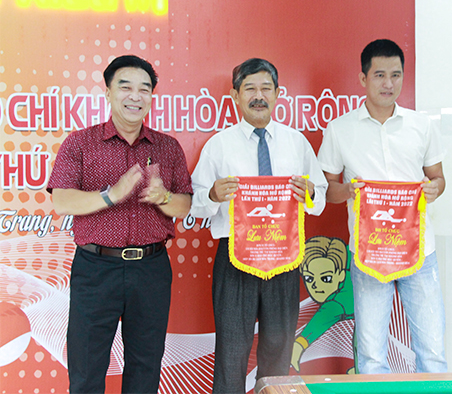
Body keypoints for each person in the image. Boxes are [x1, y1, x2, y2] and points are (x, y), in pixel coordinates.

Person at [47, 55, 193, 393]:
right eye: (125, 87)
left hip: (151, 269)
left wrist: (164, 198)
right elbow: (62, 200)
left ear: (152, 97)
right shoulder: (80, 143)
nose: (135, 96)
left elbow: (185, 204)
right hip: (96, 268)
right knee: (87, 366)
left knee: (146, 365)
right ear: (109, 92)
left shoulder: (168, 147)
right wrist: (111, 194)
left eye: (144, 89)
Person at [190, 58, 327, 394]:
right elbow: (194, 203)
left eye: (266, 88)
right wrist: (212, 193)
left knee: (278, 352)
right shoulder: (219, 145)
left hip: (284, 256)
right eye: (249, 88)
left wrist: (308, 192)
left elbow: (320, 195)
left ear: (278, 94)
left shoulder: (297, 142)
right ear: (235, 95)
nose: (258, 96)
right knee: (231, 353)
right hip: (235, 258)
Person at [317, 39, 447, 374]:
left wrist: (433, 189)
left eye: (395, 75)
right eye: (379, 75)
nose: (388, 84)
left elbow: (438, 178)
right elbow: (325, 190)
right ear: (362, 79)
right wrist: (346, 190)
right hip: (369, 251)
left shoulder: (423, 126)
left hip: (420, 249)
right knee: (372, 354)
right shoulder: (340, 129)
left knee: (432, 351)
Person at [291, 236, 354, 372]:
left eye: (326, 278)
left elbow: (327, 312)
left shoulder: (340, 299)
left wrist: (299, 345)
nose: (316, 286)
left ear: (341, 275)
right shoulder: (346, 254)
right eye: (309, 278)